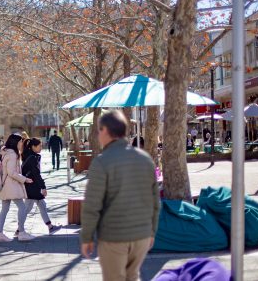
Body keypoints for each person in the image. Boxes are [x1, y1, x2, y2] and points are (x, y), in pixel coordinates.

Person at [80, 110, 159, 281]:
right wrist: (152, 231)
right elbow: (155, 201)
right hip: (142, 236)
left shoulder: (102, 162)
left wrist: (87, 237)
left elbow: (91, 206)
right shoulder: (145, 159)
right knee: (132, 276)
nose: (98, 135)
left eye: (98, 130)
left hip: (114, 237)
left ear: (106, 131)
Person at [0, 133, 35, 242]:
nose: (22, 143)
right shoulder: (12, 155)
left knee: (4, 209)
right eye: (21, 141)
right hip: (11, 185)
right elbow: (11, 172)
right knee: (22, 207)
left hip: (5, 185)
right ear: (16, 142)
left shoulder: (6, 152)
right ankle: (21, 232)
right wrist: (24, 179)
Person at [19, 138, 61, 236]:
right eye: (40, 146)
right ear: (33, 146)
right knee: (27, 209)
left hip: (32, 186)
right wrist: (43, 187)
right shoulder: (32, 158)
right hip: (32, 186)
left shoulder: (29, 156)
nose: (41, 147)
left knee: (42, 205)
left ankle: (50, 227)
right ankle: (19, 230)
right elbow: (36, 174)